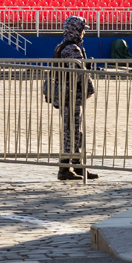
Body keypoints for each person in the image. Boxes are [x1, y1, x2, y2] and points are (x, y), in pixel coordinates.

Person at [48, 15, 98, 180]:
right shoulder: (71, 49)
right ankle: (65, 168)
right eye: (82, 29)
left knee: (75, 131)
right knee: (71, 132)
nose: (84, 32)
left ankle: (77, 166)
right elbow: (79, 74)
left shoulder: (63, 46)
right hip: (70, 95)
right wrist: (90, 88)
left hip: (68, 95)